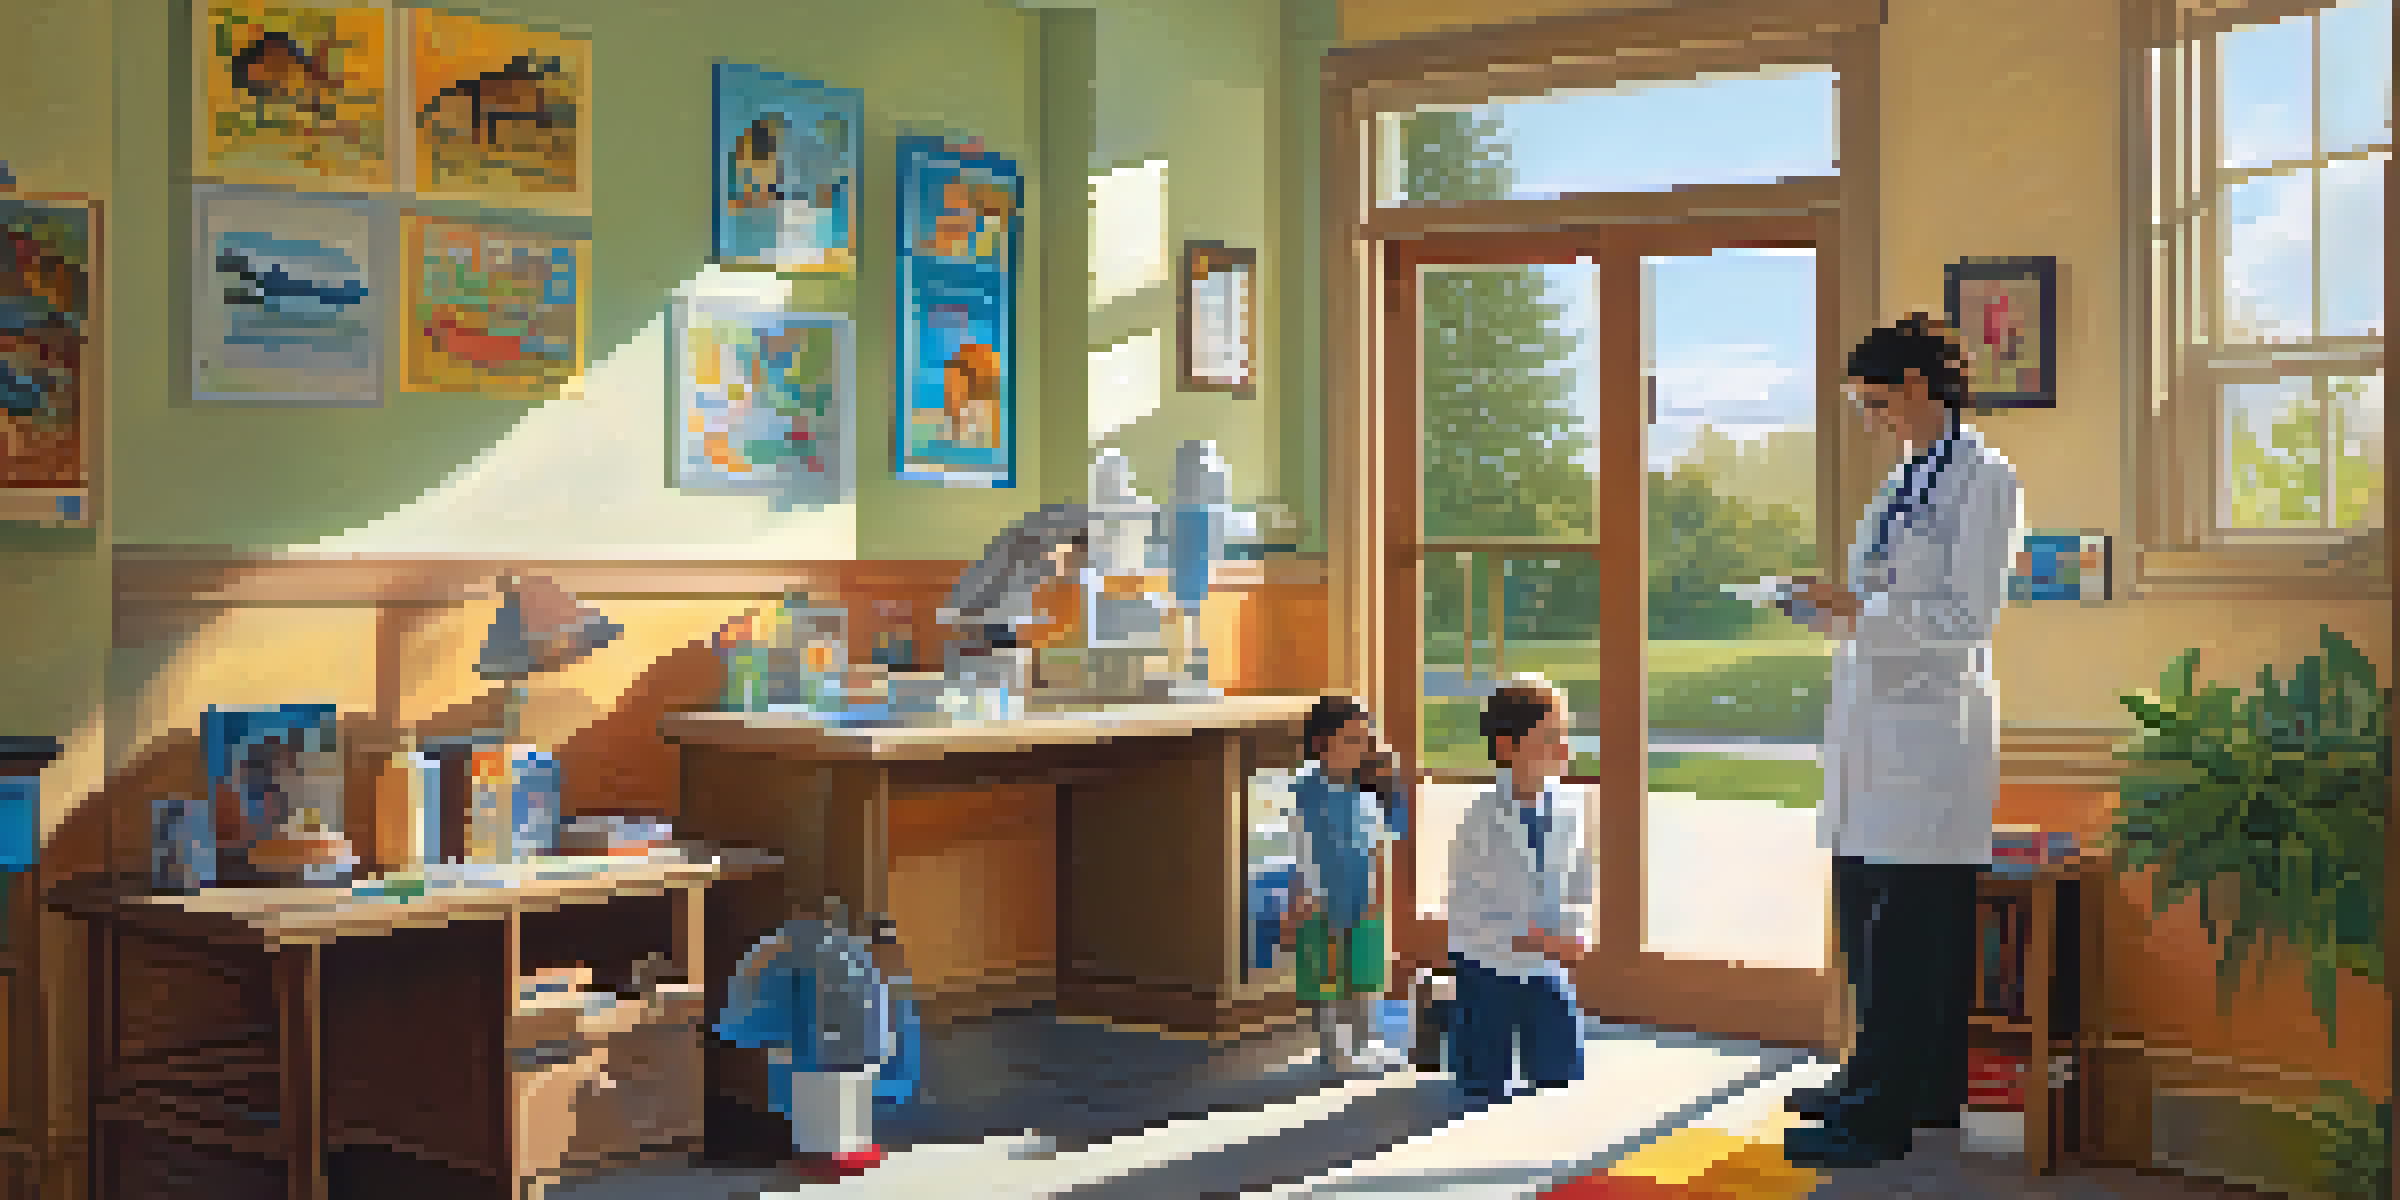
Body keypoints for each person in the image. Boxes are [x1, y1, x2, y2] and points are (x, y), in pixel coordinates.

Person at [1777, 313, 2024, 1169]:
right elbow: (1883, 607)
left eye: (1878, 401)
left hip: (1930, 748)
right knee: (1867, 928)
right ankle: (1885, 1086)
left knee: (1912, 943)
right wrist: (1827, 612)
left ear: (1920, 385)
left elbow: (1968, 618)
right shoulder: (1905, 479)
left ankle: (1879, 1119)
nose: (1873, 417)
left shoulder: (1983, 478)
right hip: (1873, 740)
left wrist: (1862, 614)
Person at [1444, 677, 1593, 1103]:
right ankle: (1449, 1013)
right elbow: (1465, 909)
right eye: (1550, 738)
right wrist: (1526, 938)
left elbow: (1579, 877)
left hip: (1543, 958)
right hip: (1486, 957)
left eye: (1565, 736)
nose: (1565, 750)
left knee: (1560, 1071)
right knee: (1481, 1082)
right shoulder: (1479, 817)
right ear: (1508, 748)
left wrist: (1573, 930)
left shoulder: (1570, 805)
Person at [714, 895, 896, 1182]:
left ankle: (825, 1154)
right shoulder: (848, 949)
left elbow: (756, 996)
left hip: (819, 1051)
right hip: (859, 1043)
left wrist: (755, 1035)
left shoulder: (782, 949)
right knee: (847, 1096)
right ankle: (849, 1148)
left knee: (817, 1100)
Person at [1284, 695, 1409, 1073]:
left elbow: (1383, 840)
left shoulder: (1366, 790)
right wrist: (1303, 894)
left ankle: (1367, 1041)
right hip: (1321, 898)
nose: (1362, 748)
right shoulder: (1305, 792)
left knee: (1367, 973)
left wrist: (1379, 892)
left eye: (1364, 740)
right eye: (1353, 740)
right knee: (1327, 976)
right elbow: (1298, 845)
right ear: (1323, 743)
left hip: (1363, 896)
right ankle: (1334, 1049)